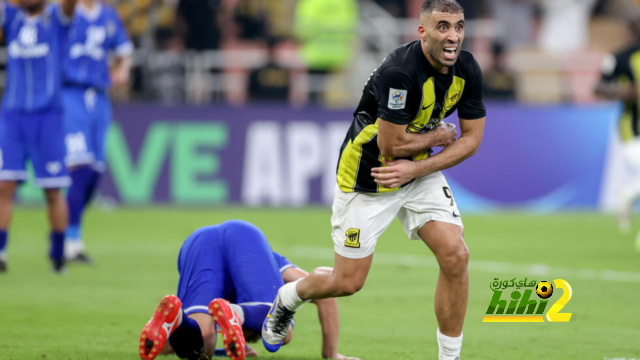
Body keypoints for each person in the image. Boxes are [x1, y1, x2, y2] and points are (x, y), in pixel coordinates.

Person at [263, 1, 486, 359]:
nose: (453, 36)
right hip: (370, 174)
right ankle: (287, 298)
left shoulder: (467, 68)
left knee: (456, 256)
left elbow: (472, 139)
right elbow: (391, 144)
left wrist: (418, 168)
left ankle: (450, 357)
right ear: (422, 31)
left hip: (416, 170)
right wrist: (437, 137)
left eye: (459, 27)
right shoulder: (400, 72)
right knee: (347, 282)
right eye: (443, 26)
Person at [139, 220, 358, 360]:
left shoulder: (221, 307)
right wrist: (331, 355)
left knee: (203, 339)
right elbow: (325, 292)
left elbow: (169, 346)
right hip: (242, 236)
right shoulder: (269, 261)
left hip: (197, 243)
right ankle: (238, 313)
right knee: (281, 330)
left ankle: (178, 319)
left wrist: (219, 350)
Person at [0, 0, 78, 274]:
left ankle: (58, 257)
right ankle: (1, 252)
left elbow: (70, 5)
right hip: (13, 114)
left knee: (53, 190)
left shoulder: (57, 18)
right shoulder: (10, 18)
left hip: (48, 116)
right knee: (3, 185)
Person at [62, 0, 133, 263]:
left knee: (95, 172)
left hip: (100, 100)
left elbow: (124, 50)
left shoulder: (108, 16)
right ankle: (71, 241)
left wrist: (121, 70)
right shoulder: (67, 12)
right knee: (79, 168)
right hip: (71, 95)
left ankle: (71, 232)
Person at [595, 15, 640, 248]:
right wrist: (624, 92)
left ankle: (628, 195)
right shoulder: (620, 58)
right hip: (633, 130)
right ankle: (628, 195)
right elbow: (599, 87)